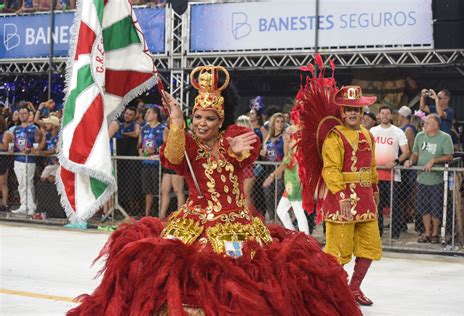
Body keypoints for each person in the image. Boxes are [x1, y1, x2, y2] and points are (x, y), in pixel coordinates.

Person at [68, 65, 361, 315]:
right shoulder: (188, 142)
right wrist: (178, 123)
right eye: (198, 117)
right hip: (194, 217)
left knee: (238, 269)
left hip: (234, 219)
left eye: (209, 118)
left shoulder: (233, 136)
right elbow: (172, 157)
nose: (202, 123)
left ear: (221, 121)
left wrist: (231, 149)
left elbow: (248, 147)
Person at [294, 59, 382, 307]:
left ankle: (354, 288)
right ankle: (332, 291)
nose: (353, 113)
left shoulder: (367, 135)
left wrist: (374, 189)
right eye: (348, 109)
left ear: (362, 113)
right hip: (341, 200)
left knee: (369, 246)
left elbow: (371, 166)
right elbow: (330, 170)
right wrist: (341, 195)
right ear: (341, 112)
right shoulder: (334, 137)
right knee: (337, 251)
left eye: (357, 110)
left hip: (365, 200)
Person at [405, 114, 454, 244]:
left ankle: (435, 233)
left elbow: (449, 156)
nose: (424, 125)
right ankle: (427, 233)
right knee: (423, 207)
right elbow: (415, 153)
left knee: (436, 208)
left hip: (437, 179)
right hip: (421, 178)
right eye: (424, 122)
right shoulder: (420, 136)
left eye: (427, 123)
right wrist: (410, 162)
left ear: (436, 125)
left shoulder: (445, 137)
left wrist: (434, 160)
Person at [371, 106, 410, 239]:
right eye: (383, 113)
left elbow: (406, 152)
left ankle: (395, 233)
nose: (385, 116)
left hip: (393, 176)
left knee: (395, 205)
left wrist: (395, 162)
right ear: (378, 115)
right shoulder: (372, 131)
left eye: (388, 113)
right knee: (377, 205)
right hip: (375, 176)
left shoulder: (398, 132)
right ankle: (377, 232)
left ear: (392, 116)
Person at [263, 125, 309, 234]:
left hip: (295, 185)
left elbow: (284, 164)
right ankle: (293, 233)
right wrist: (286, 143)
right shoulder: (292, 147)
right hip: (290, 186)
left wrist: (271, 176)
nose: (284, 134)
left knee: (298, 211)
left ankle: (306, 238)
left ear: (293, 135)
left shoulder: (297, 149)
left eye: (287, 132)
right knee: (281, 210)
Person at [138, 106, 165, 217]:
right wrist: (142, 154)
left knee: (158, 190)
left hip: (157, 163)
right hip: (146, 163)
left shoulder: (163, 128)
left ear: (155, 115)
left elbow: (167, 146)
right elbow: (140, 145)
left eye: (149, 112)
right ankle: (147, 214)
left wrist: (156, 150)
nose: (146, 114)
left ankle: (159, 213)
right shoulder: (143, 128)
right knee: (147, 190)